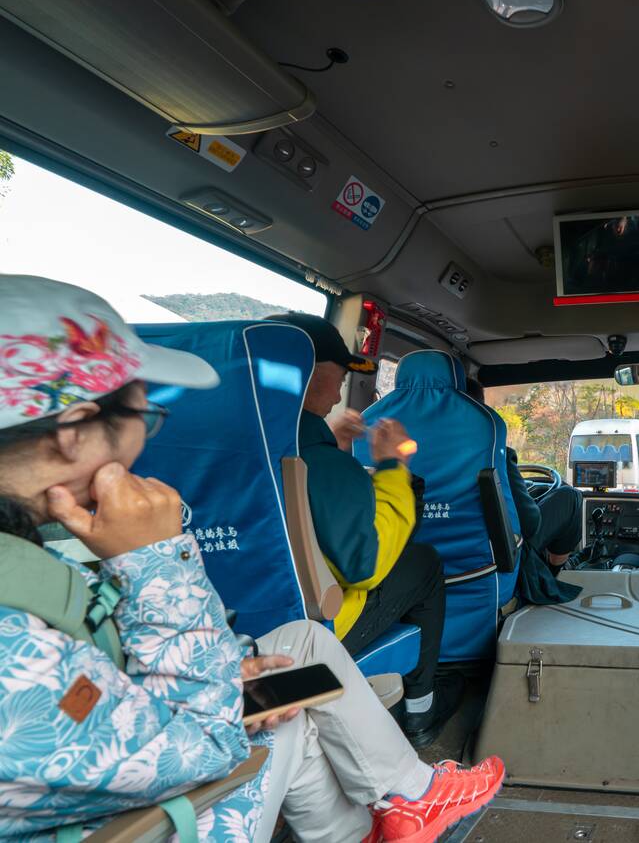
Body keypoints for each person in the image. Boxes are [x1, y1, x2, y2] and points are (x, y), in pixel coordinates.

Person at [0, 276, 503, 842]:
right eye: (147, 418)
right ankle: (408, 793)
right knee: (297, 704)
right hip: (157, 802)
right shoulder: (16, 642)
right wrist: (155, 562)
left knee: (299, 662)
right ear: (72, 434)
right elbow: (203, 747)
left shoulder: (30, 555)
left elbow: (88, 690)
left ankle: (390, 813)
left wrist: (226, 673)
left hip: (144, 739)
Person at [267, 312, 454, 749]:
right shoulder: (325, 465)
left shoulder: (231, 443)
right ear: (312, 372)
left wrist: (333, 444)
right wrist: (392, 467)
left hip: (244, 632)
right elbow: (366, 566)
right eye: (341, 374)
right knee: (423, 561)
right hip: (313, 631)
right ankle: (421, 709)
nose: (339, 392)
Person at [465, 377, 583, 605]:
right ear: (481, 411)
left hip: (441, 563)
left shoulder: (406, 450)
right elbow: (530, 525)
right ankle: (555, 570)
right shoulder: (493, 452)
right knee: (571, 497)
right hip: (497, 558)